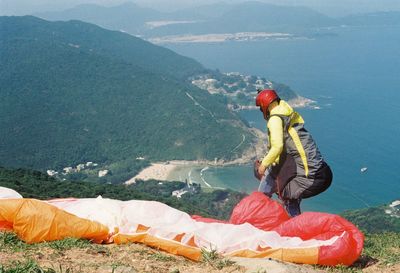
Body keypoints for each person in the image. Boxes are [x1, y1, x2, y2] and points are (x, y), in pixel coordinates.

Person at [255, 89, 332, 217]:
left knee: (286, 193)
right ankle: (289, 223)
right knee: (284, 187)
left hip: (311, 176)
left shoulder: (275, 119)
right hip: (321, 171)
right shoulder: (286, 113)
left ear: (264, 106)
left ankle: (259, 214)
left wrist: (263, 164)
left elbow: (277, 146)